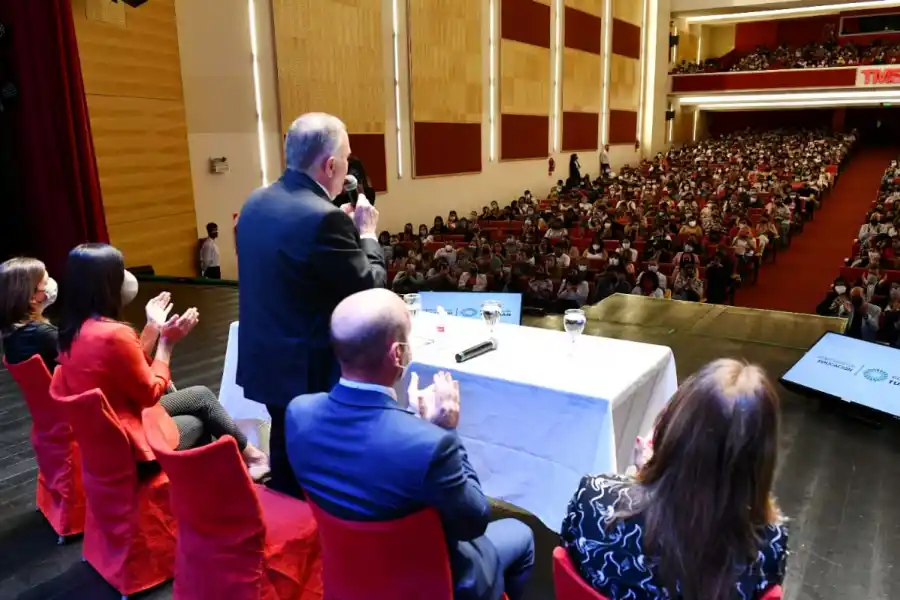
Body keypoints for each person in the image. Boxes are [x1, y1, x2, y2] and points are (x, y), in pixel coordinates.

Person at [286, 289, 535, 600]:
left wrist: (411, 424)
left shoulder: (299, 412)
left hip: (347, 573)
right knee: (522, 535)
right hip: (432, 584)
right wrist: (444, 429)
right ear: (398, 354)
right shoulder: (432, 445)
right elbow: (474, 522)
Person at [237, 113, 386, 496]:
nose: (349, 168)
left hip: (266, 359)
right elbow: (369, 288)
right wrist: (366, 237)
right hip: (308, 369)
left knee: (285, 450)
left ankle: (288, 530)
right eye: (347, 159)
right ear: (331, 164)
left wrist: (339, 235)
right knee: (319, 466)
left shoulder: (256, 201)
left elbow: (293, 274)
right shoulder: (324, 219)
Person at [561, 359, 788, 600]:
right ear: (762, 457)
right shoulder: (767, 545)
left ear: (674, 427)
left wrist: (643, 477)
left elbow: (571, 556)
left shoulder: (592, 498)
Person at [51, 244, 269, 478]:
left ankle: (253, 456)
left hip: (106, 429)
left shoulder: (71, 328)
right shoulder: (114, 334)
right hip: (130, 443)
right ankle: (201, 487)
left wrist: (153, 326)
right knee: (199, 423)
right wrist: (166, 344)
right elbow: (150, 391)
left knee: (201, 396)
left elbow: (125, 366)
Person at [0, 257, 60, 371]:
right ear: (32, 295)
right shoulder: (44, 334)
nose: (50, 286)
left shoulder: (11, 332)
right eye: (46, 283)